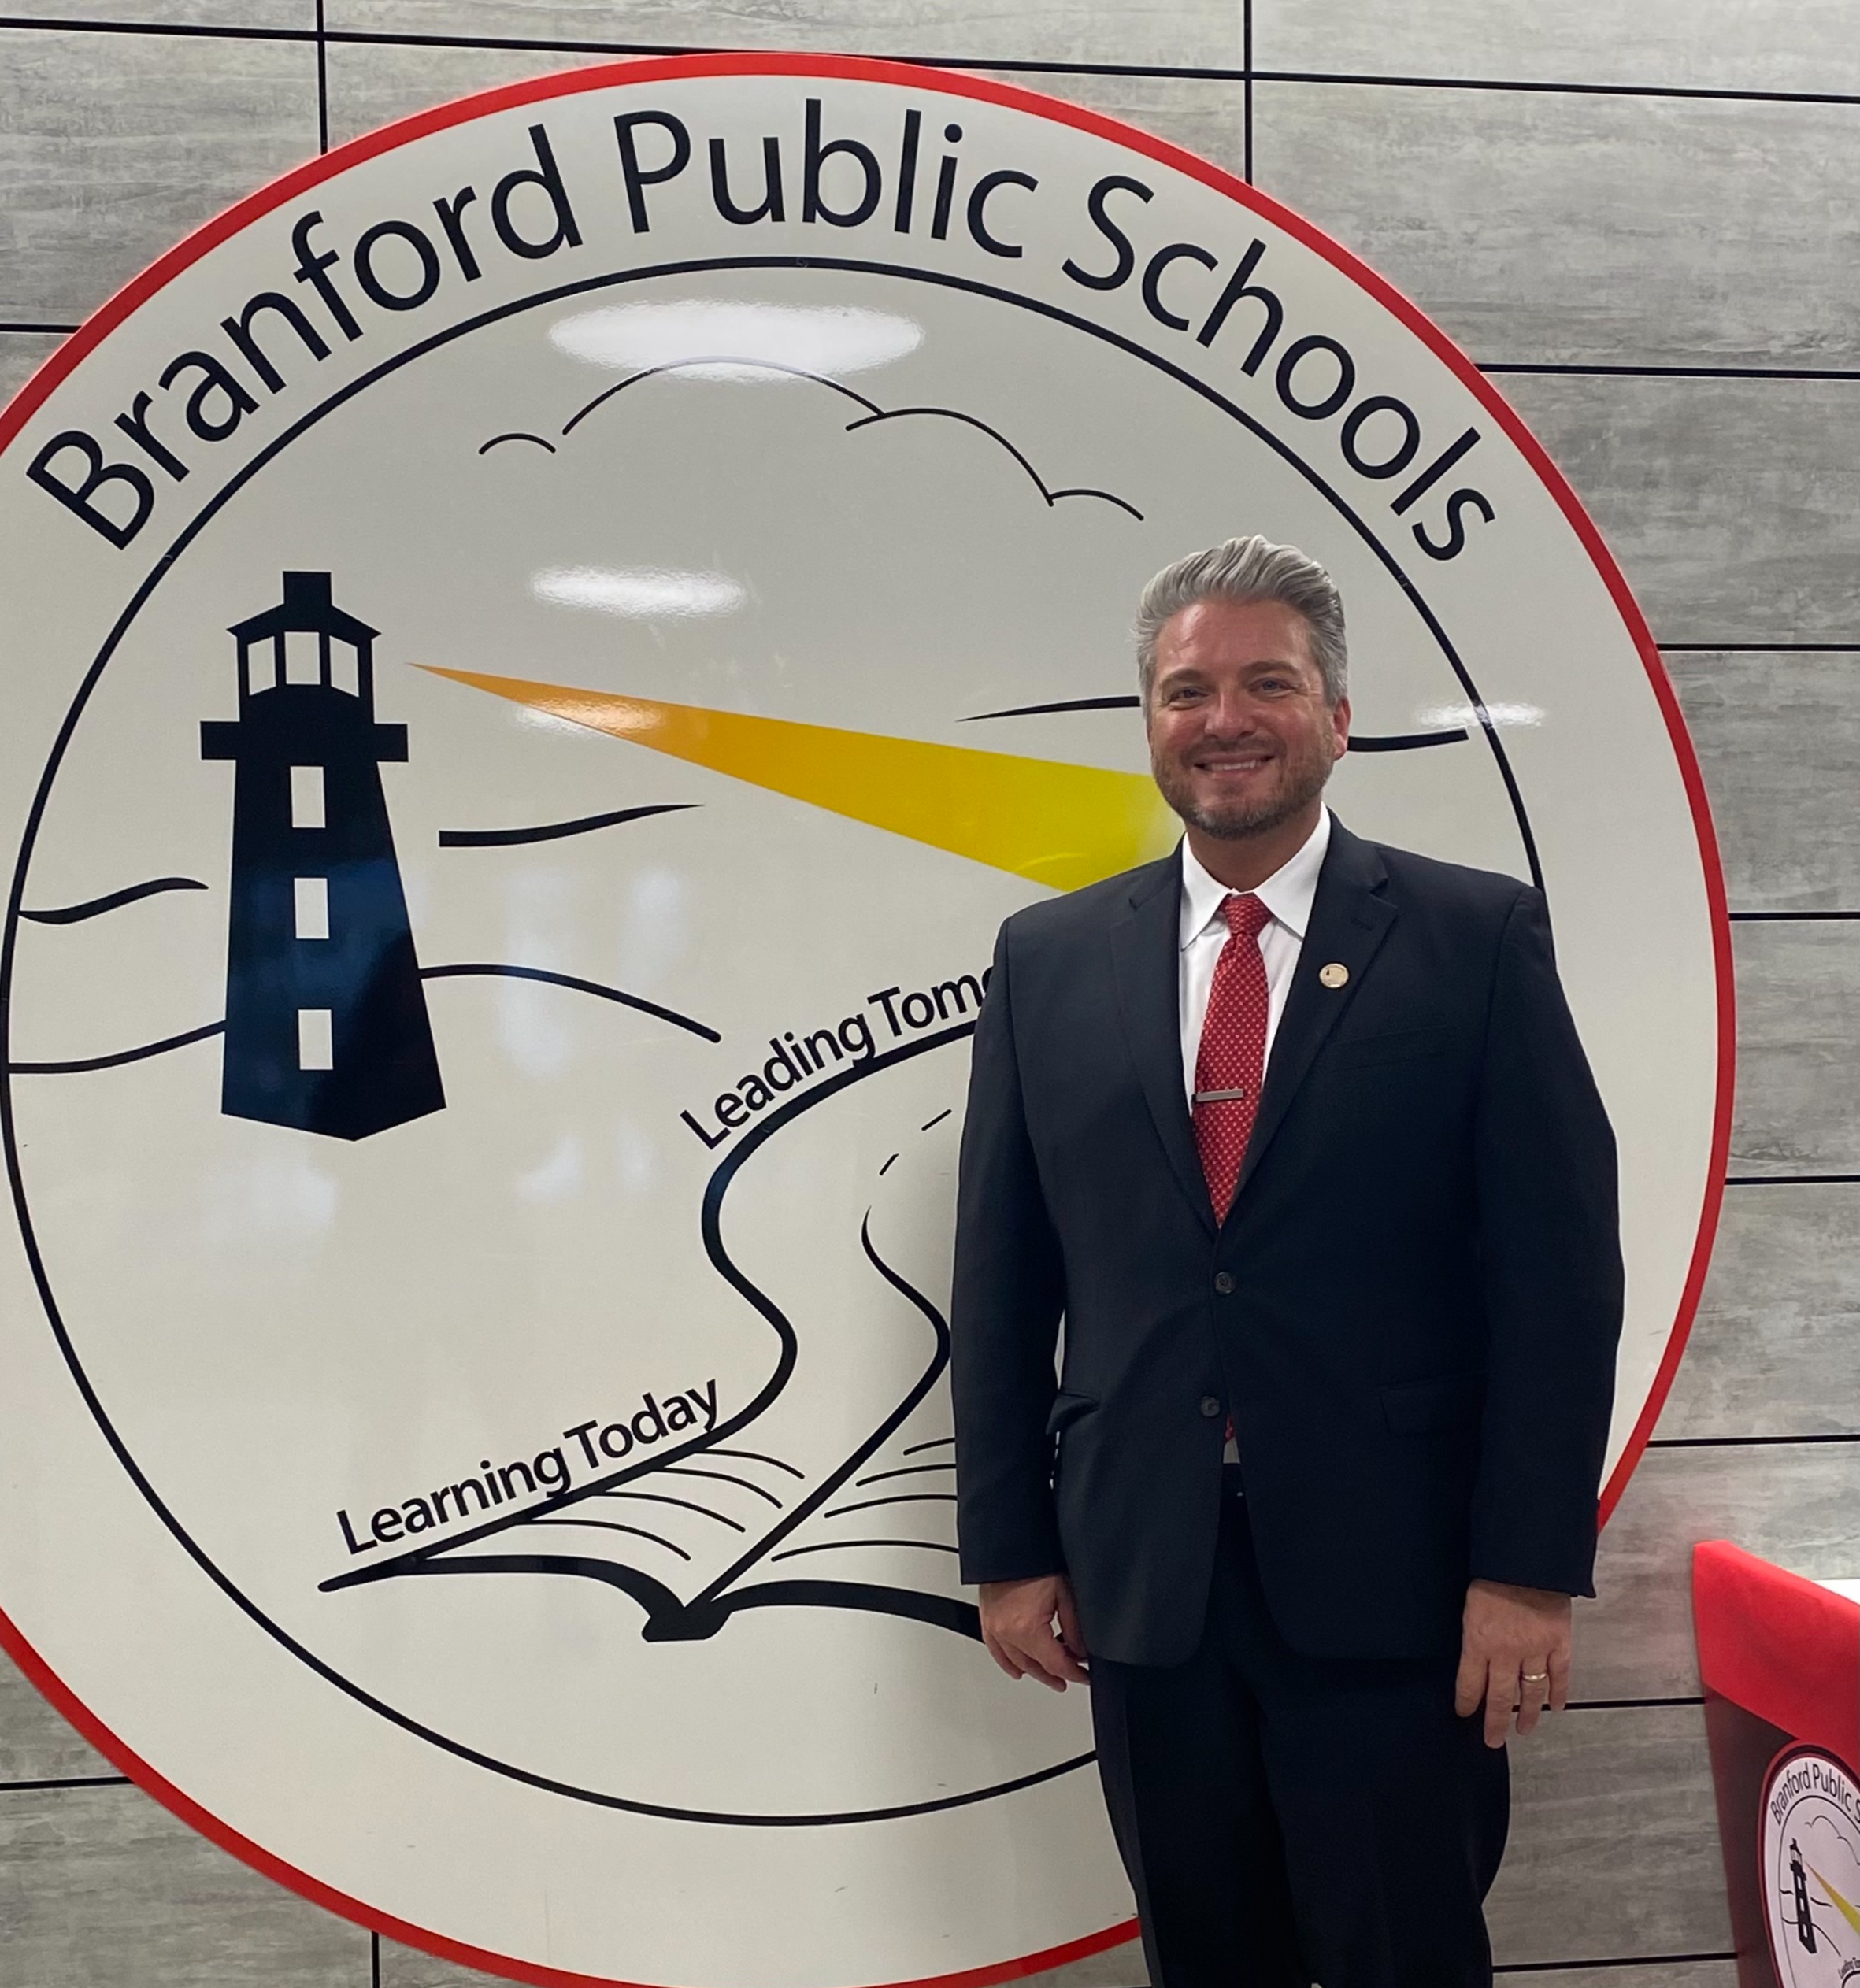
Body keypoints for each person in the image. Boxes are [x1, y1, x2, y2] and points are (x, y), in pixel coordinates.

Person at [949, 536, 1623, 1988]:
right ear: (1149, 725)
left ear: (1336, 715)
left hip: (1398, 1583)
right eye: (1187, 690)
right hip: (1144, 1581)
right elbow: (1002, 1279)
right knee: (1206, 1962)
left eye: (1267, 681)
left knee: (1403, 1958)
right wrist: (1007, 1550)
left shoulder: (1470, 937)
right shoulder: (1046, 959)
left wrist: (1524, 1572)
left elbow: (1557, 1286)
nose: (1224, 718)